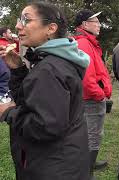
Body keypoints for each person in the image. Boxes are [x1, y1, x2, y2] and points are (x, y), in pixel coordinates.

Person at [0, 2, 90, 180]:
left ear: (50, 28)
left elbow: (45, 126)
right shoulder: (57, 60)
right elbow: (34, 100)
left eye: (26, 19)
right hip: (66, 159)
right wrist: (18, 70)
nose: (18, 26)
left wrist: (8, 112)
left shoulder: (48, 69)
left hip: (51, 167)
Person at [73, 9, 113, 177]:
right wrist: (100, 94)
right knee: (93, 134)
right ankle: (86, 171)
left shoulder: (89, 42)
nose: (99, 25)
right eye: (95, 22)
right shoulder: (83, 43)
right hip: (91, 98)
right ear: (84, 24)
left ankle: (90, 163)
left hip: (92, 96)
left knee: (91, 132)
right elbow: (87, 78)